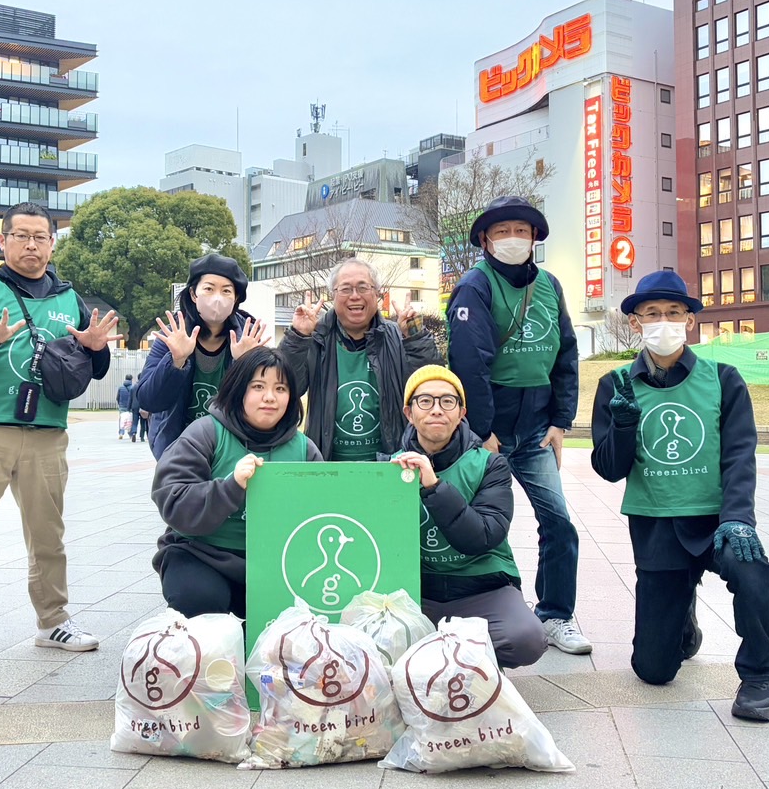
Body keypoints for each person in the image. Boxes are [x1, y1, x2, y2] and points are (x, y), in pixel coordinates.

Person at [0, 201, 120, 679]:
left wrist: (95, 351)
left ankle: (53, 622)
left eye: (41, 237)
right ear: (3, 241)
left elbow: (87, 371)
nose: (32, 244)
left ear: (53, 244)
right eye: (22, 235)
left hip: (47, 433)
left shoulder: (71, 299)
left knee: (48, 537)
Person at [589, 270, 769, 723]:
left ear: (690, 320)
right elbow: (609, 470)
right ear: (635, 322)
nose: (664, 322)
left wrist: (739, 518)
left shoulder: (723, 378)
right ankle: (681, 614)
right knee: (653, 670)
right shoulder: (615, 384)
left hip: (718, 521)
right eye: (652, 313)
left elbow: (739, 455)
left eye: (674, 313)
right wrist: (620, 426)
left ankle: (759, 675)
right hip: (656, 524)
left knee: (753, 573)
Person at [444, 196, 590, 655]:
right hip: (491, 431)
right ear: (486, 239)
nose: (513, 238)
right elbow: (471, 361)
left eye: (522, 231)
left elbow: (566, 352)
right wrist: (484, 431)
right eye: (503, 230)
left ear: (534, 239)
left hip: (538, 428)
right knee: (480, 522)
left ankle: (555, 614)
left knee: (559, 522)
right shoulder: (475, 285)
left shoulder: (549, 285)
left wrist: (562, 422)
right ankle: (475, 608)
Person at [391, 365, 547, 669]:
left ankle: (458, 652)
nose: (437, 410)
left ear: (461, 412)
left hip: (481, 588)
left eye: (447, 401)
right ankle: (450, 654)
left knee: (526, 638)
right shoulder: (390, 466)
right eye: (425, 401)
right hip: (420, 592)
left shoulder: (490, 464)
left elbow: (482, 537)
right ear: (408, 412)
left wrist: (434, 487)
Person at [150, 347, 322, 618]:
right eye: (258, 386)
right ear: (239, 389)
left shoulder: (304, 449)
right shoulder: (205, 433)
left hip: (272, 562)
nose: (269, 397)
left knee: (292, 613)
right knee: (199, 598)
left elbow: (322, 513)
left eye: (280, 388)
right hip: (201, 553)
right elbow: (173, 500)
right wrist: (230, 486)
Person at [279, 259, 438, 462]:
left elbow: (429, 389)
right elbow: (288, 387)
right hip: (327, 463)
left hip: (392, 463)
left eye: (363, 287)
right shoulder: (316, 339)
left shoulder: (398, 337)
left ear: (377, 295)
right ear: (333, 296)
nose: (355, 296)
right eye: (345, 289)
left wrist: (415, 337)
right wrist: (298, 337)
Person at [137, 254, 270, 460]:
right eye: (209, 288)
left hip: (233, 452)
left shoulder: (251, 339)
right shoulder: (172, 337)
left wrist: (244, 364)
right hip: (178, 450)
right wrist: (176, 361)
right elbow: (148, 400)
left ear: (235, 299)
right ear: (193, 293)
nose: (217, 297)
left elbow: (262, 404)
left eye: (226, 291)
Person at [115, 373, 137, 441]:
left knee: (122, 419)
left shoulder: (121, 388)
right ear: (131, 379)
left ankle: (121, 433)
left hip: (122, 406)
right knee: (130, 420)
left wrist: (120, 403)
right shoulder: (133, 387)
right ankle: (130, 434)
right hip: (130, 406)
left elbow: (117, 397)